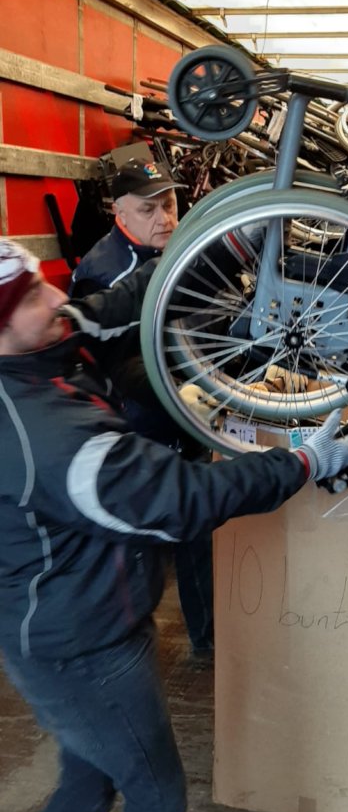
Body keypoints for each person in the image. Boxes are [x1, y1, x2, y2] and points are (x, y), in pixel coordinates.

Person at [0, 237, 348, 812]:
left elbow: (130, 297)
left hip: (78, 622)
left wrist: (231, 235)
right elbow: (182, 501)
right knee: (157, 797)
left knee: (87, 784)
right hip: (84, 650)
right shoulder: (48, 439)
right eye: (35, 295)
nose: (59, 298)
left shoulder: (41, 353)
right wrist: (302, 461)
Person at [70, 157, 215, 654]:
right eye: (148, 209)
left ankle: (210, 643)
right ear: (120, 213)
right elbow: (115, 366)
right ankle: (118, 649)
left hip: (189, 411)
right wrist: (178, 394)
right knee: (142, 548)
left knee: (199, 530)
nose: (165, 218)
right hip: (138, 426)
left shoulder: (179, 249)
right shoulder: (102, 272)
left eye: (170, 204)